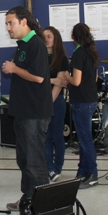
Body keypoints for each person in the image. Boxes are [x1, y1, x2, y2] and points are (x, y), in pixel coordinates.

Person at [2, 6, 53, 211]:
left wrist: (14, 69)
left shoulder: (36, 44)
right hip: (22, 111)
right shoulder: (22, 45)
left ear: (24, 22)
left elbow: (39, 77)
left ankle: (42, 204)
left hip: (34, 112)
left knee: (34, 161)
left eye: (10, 23)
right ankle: (28, 198)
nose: (8, 28)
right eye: (6, 24)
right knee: (24, 159)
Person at [61, 23, 99, 189]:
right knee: (84, 138)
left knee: (85, 140)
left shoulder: (78, 54)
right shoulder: (92, 53)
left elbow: (75, 81)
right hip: (90, 99)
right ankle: (83, 170)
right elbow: (95, 78)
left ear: (73, 37)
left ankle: (92, 173)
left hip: (81, 101)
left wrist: (65, 76)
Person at [42, 26, 69, 183]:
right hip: (42, 100)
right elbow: (39, 79)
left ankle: (57, 168)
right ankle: (49, 168)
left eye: (49, 36)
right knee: (46, 136)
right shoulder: (39, 56)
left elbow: (60, 84)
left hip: (56, 101)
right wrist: (51, 80)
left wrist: (48, 103)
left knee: (57, 136)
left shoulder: (62, 59)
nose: (46, 39)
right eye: (44, 36)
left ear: (56, 39)